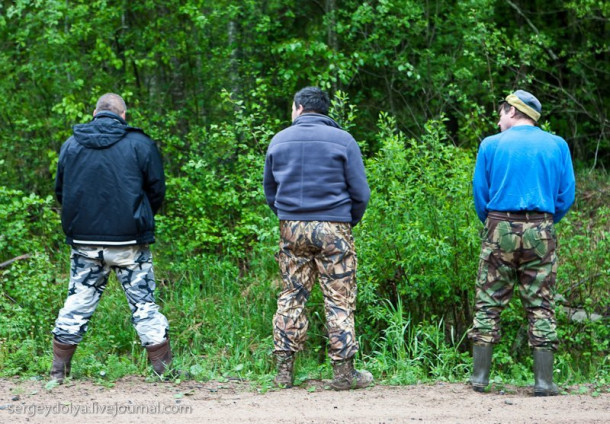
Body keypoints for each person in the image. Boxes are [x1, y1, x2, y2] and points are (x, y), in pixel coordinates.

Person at [51, 93, 172, 383]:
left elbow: (61, 192)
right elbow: (156, 190)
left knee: (78, 302)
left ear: (94, 113)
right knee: (144, 304)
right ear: (124, 116)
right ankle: (164, 372)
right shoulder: (140, 144)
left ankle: (58, 372)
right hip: (130, 241)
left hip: (84, 241)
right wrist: (140, 218)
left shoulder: (71, 145)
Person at [263, 86, 373, 390]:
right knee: (338, 297)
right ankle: (343, 374)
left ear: (299, 107)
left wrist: (288, 216)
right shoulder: (344, 140)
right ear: (325, 111)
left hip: (292, 226)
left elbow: (270, 191)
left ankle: (284, 371)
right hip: (334, 225)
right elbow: (361, 193)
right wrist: (348, 221)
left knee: (292, 294)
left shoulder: (279, 139)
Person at [469, 89, 575, 396]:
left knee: (489, 301)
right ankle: (543, 382)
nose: (499, 120)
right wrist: (544, 223)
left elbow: (480, 194)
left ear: (513, 112)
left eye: (501, 113)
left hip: (499, 225)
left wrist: (493, 223)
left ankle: (480, 379)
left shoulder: (490, 145)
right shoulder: (557, 145)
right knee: (541, 302)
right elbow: (566, 195)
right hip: (541, 227)